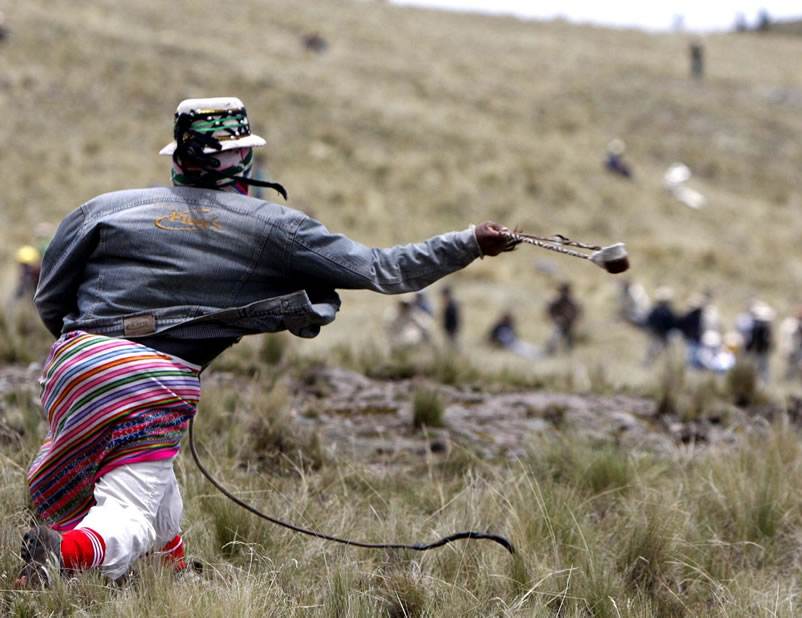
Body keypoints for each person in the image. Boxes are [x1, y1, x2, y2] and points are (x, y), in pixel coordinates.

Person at [16, 96, 513, 587]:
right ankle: (63, 556)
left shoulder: (102, 209)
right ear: (242, 159)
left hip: (71, 365)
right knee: (133, 512)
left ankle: (171, 576)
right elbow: (384, 269)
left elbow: (49, 300)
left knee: (156, 484)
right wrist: (469, 241)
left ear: (178, 156)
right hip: (149, 379)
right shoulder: (274, 225)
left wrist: (93, 352)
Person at [545, 282, 582, 355]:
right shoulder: (556, 301)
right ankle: (549, 353)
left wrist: (571, 319)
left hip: (568, 325)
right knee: (554, 339)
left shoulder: (571, 302)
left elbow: (577, 312)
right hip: (558, 324)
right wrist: (557, 319)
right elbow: (549, 311)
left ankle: (569, 354)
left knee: (569, 341)